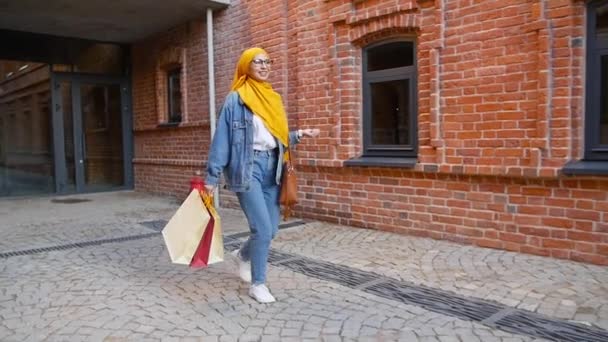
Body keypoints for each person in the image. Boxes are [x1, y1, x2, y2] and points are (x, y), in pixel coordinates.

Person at [204, 47, 320, 303]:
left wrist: (299, 135)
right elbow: (222, 141)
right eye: (258, 62)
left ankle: (243, 255)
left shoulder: (274, 98)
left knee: (272, 230)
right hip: (248, 169)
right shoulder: (236, 99)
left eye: (268, 61)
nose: (265, 66)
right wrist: (211, 178)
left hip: (274, 169)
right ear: (246, 65)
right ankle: (258, 284)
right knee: (262, 229)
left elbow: (275, 139)